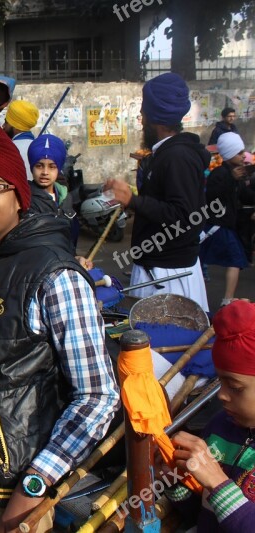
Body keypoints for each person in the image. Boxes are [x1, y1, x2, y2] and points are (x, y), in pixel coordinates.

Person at [0, 119, 120, 532]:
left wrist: (36, 484)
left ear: (18, 196)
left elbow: (97, 396)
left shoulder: (55, 275)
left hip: (8, 492)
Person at [105, 73, 211, 312]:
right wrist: (132, 201)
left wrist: (133, 200)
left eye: (144, 113)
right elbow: (165, 203)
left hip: (168, 277)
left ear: (158, 120)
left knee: (162, 347)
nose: (141, 119)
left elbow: (184, 216)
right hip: (159, 268)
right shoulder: (165, 154)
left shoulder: (178, 157)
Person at [164, 300, 255, 532]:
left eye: (234, 387)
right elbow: (203, 515)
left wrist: (216, 482)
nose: (222, 396)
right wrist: (175, 481)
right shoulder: (219, 428)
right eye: (219, 382)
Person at [199, 132, 255, 308]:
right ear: (230, 154)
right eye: (239, 153)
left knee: (201, 260)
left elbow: (244, 196)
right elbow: (213, 196)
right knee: (235, 260)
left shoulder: (235, 174)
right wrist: (232, 179)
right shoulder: (219, 174)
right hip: (217, 226)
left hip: (225, 225)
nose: (242, 156)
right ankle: (227, 300)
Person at [27, 133, 81, 249]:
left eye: (52, 166)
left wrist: (75, 259)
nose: (45, 172)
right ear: (32, 167)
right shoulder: (26, 200)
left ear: (59, 169)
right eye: (39, 166)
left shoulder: (66, 198)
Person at [1, 100, 39, 181]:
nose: (3, 126)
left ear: (15, 125)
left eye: (6, 122)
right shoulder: (39, 146)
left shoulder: (8, 148)